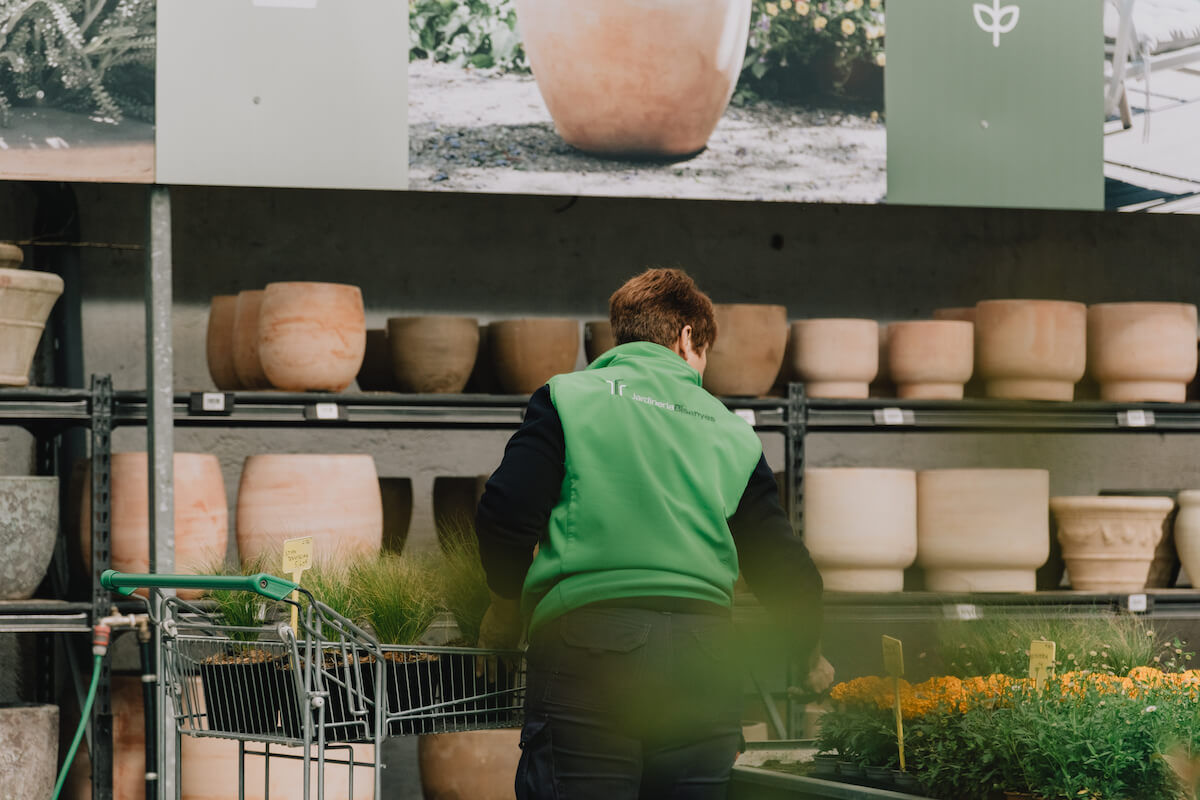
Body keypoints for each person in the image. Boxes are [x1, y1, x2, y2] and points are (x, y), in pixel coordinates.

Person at [475, 267, 829, 800]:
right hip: (703, 661)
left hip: (588, 650)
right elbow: (787, 572)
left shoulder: (568, 398)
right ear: (688, 338)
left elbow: (504, 513)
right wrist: (806, 653)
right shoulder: (730, 430)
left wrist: (503, 611)